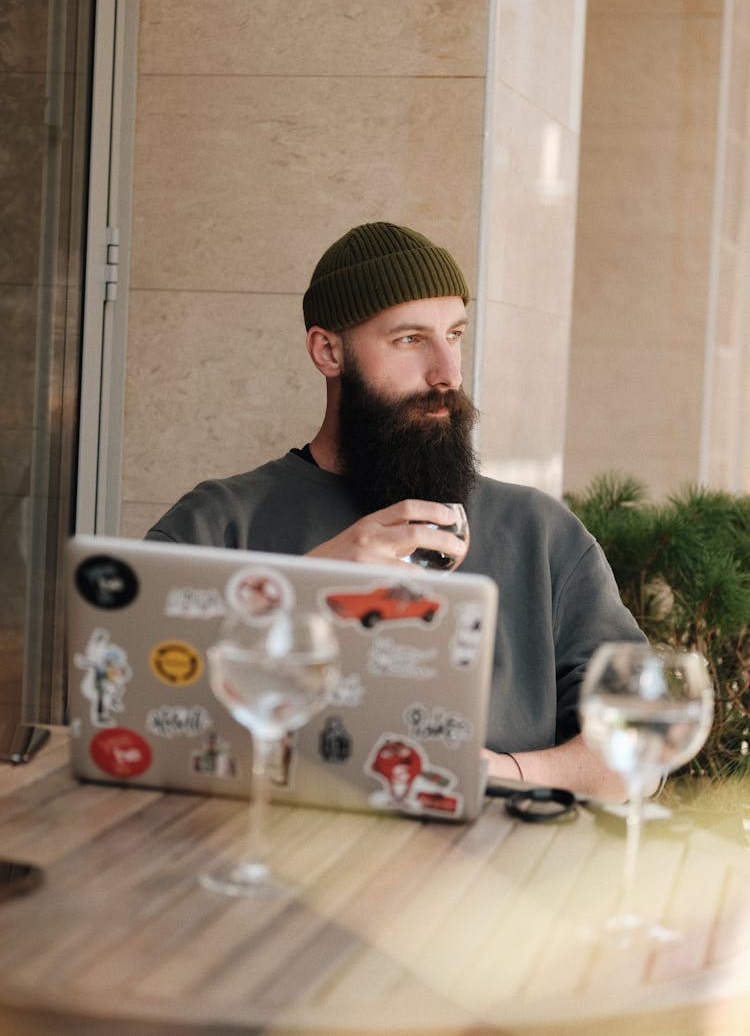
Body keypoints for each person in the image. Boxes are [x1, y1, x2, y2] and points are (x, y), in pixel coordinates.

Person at [146, 221, 645, 800]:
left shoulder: (540, 533)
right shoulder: (218, 522)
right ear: (328, 350)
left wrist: (493, 774)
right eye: (410, 339)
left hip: (489, 877)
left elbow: (640, 743)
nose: (448, 374)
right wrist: (310, 585)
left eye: (454, 334)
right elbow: (145, 710)